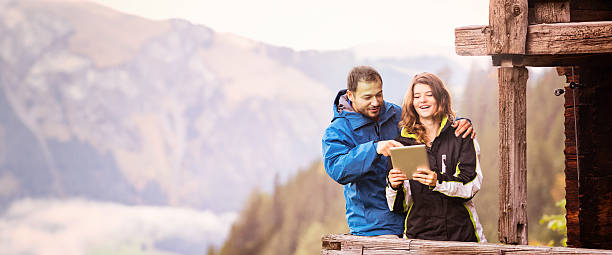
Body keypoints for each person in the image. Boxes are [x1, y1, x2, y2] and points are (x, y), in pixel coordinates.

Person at [322, 66, 475, 236]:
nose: (376, 102)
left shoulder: (395, 113)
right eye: (368, 97)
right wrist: (374, 148)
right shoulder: (337, 130)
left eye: (379, 94)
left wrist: (460, 122)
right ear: (350, 95)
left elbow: (428, 117)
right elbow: (337, 169)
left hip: (414, 220)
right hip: (374, 226)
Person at [386, 72, 486, 242]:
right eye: (417, 96)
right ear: (412, 103)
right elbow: (399, 206)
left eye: (429, 95)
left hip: (462, 235)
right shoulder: (401, 143)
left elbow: (471, 185)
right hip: (419, 238)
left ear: (441, 98)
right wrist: (394, 186)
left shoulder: (461, 134)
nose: (422, 100)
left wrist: (437, 181)